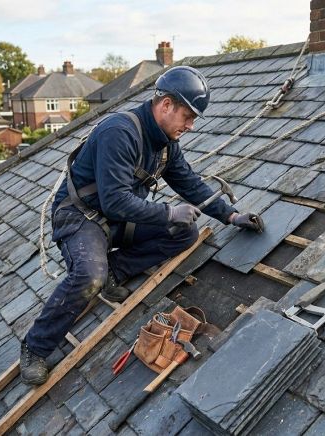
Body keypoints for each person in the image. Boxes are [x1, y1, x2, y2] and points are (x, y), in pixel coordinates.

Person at [20, 66, 264, 385]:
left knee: (185, 233)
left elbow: (189, 183)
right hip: (80, 219)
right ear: (165, 105)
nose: (190, 126)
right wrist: (167, 212)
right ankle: (35, 348)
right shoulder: (119, 132)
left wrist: (231, 215)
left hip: (117, 223)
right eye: (188, 116)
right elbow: (114, 201)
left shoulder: (165, 144)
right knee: (89, 276)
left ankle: (116, 271)